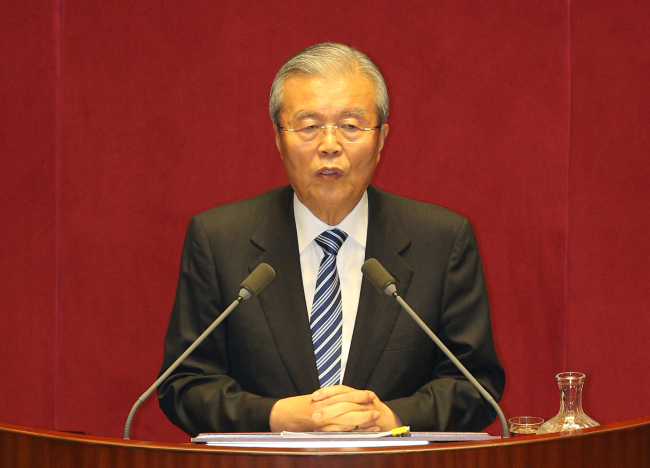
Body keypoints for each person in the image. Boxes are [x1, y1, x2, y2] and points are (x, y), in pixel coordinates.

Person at [158, 43, 505, 436]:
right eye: (308, 126)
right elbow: (183, 384)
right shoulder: (219, 240)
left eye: (351, 126)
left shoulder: (442, 241)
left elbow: (476, 386)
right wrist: (277, 417)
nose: (329, 145)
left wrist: (389, 419)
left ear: (381, 138)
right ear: (278, 137)